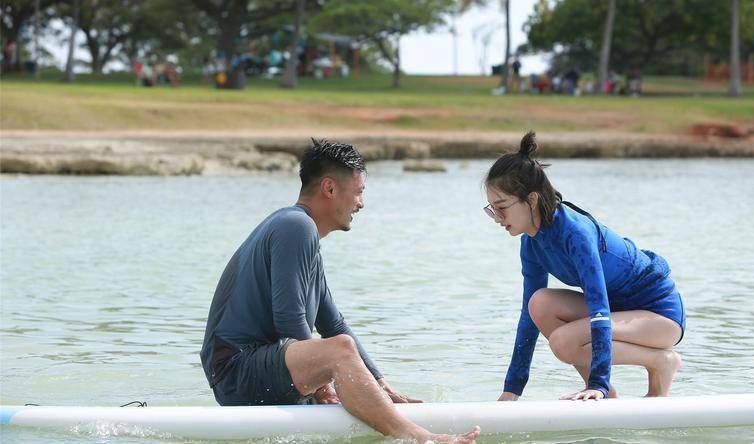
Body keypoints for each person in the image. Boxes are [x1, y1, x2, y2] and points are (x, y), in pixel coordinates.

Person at [200, 139, 480, 443]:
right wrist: (322, 384)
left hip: (265, 368)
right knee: (339, 349)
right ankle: (418, 438)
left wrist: (382, 386)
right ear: (329, 188)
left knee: (340, 346)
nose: (361, 204)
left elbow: (334, 323)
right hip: (236, 371)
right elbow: (290, 321)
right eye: (358, 192)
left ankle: (393, 419)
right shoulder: (295, 226)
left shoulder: (304, 237)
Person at [484, 132, 685, 402]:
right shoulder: (531, 243)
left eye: (502, 207)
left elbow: (598, 307)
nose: (497, 218)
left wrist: (597, 383)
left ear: (531, 199)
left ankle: (660, 362)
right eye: (492, 209)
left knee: (563, 342)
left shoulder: (575, 233)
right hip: (617, 311)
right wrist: (512, 390)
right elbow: (527, 320)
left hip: (658, 315)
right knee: (538, 304)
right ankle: (608, 392)